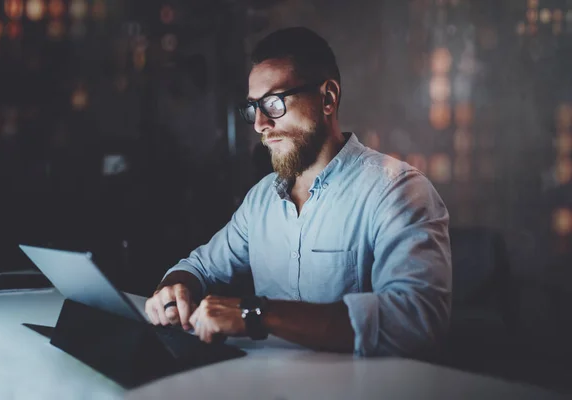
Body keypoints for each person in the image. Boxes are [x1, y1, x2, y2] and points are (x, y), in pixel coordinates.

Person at [145, 27, 452, 357]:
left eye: (274, 103)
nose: (260, 124)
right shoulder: (261, 200)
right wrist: (175, 288)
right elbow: (199, 268)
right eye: (253, 108)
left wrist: (257, 315)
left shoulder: (397, 190)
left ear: (328, 98)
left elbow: (417, 320)